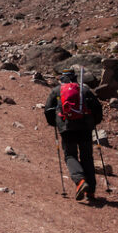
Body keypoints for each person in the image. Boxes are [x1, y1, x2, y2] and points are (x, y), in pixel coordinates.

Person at [44, 67, 103, 201]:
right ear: (74, 77)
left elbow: (48, 110)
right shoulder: (84, 89)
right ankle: (91, 191)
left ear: (62, 78)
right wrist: (94, 122)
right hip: (85, 128)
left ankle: (80, 181)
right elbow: (97, 108)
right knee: (87, 156)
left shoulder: (57, 91)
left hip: (66, 127)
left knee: (70, 155)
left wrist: (55, 123)